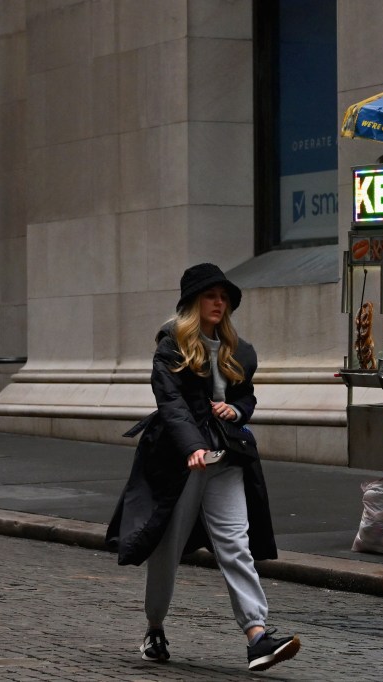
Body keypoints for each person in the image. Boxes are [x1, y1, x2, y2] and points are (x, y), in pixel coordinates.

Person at [106, 263, 300, 672]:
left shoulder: (239, 349)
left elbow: (247, 397)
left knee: (235, 544)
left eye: (224, 297)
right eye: (211, 296)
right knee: (167, 549)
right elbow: (171, 404)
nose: (219, 303)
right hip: (180, 462)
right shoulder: (171, 345)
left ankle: (257, 636)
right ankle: (154, 628)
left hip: (226, 459)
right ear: (194, 301)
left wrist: (236, 408)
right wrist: (192, 446)